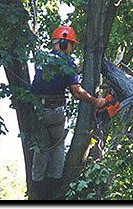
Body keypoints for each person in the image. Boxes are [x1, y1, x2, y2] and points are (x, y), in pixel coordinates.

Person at [30, 25, 106, 199]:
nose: (72, 49)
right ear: (64, 43)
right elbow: (76, 92)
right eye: (71, 45)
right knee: (57, 148)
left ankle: (37, 191)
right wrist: (96, 101)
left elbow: (55, 77)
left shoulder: (43, 58)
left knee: (41, 149)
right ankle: (55, 188)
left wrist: (76, 71)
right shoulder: (67, 62)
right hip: (54, 111)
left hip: (37, 110)